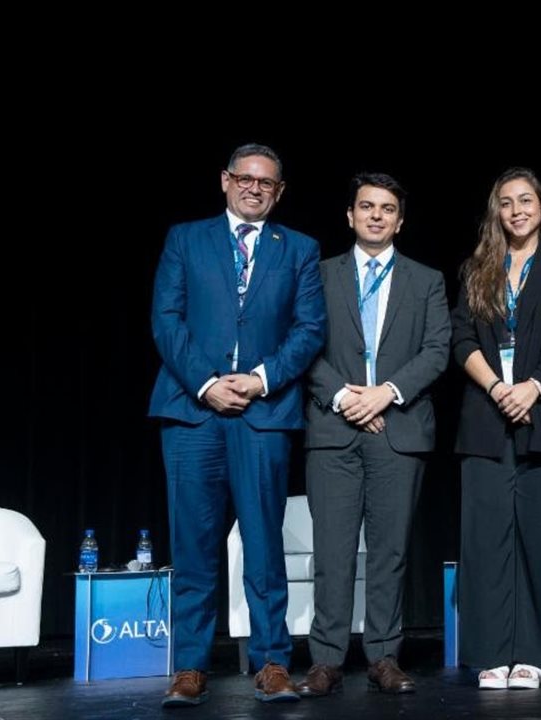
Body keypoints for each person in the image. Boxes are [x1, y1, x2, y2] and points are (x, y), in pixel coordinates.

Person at [149, 143, 325, 707]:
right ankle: (190, 666)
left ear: (279, 191)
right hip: (191, 409)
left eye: (266, 182)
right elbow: (166, 319)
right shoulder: (186, 238)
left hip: (263, 414)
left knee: (264, 544)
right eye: (245, 178)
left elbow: (309, 328)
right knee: (194, 544)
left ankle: (272, 661)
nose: (254, 188)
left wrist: (259, 379)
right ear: (225, 181)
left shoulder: (298, 248)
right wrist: (207, 383)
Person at [299, 173, 450, 697]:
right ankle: (326, 660)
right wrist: (347, 398)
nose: (377, 216)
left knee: (390, 553)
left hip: (398, 431)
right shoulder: (317, 275)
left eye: (387, 209)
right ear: (350, 215)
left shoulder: (426, 279)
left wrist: (384, 392)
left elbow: (436, 349)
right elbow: (302, 347)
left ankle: (384, 656)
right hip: (332, 430)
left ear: (400, 220)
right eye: (367, 207)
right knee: (333, 551)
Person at [451, 167, 541, 690]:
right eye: (506, 203)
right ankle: (490, 653)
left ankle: (536, 653)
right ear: (497, 212)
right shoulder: (476, 269)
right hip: (486, 421)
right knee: (485, 542)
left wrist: (531, 388)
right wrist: (497, 389)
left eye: (526, 200)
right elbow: (461, 338)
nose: (517, 210)